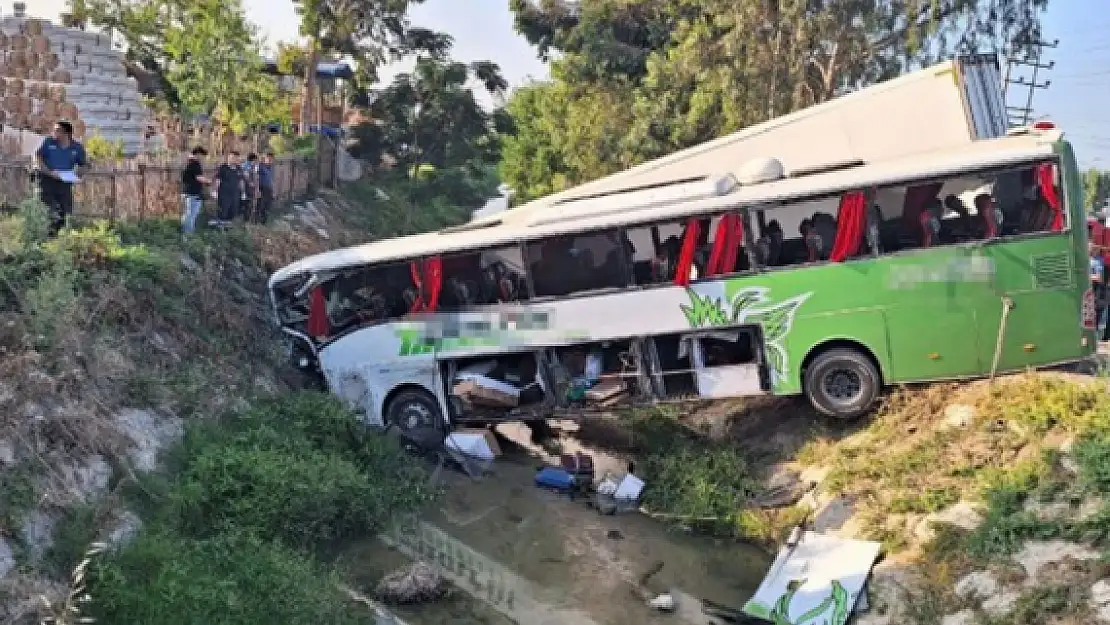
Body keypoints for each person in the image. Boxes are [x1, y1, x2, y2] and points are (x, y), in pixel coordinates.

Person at [34, 121, 88, 237]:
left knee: (65, 211)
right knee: (51, 209)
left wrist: (80, 172)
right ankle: (44, 236)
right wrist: (49, 172)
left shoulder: (77, 148)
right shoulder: (49, 142)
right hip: (47, 180)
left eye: (57, 130)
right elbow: (38, 158)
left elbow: (84, 165)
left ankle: (55, 238)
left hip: (64, 182)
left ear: (66, 133)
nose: (54, 132)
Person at [180, 146, 209, 235]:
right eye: (202, 155)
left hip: (187, 192)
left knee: (188, 214)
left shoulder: (188, 163)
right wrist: (208, 181)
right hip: (193, 194)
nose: (203, 158)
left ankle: (186, 234)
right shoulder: (195, 164)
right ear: (198, 154)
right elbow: (198, 177)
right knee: (191, 215)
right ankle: (188, 235)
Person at [214, 151, 242, 224]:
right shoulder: (223, 167)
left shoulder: (239, 168)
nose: (234, 159)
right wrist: (215, 192)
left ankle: (229, 229)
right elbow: (218, 179)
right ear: (229, 158)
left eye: (236, 158)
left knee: (233, 212)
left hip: (235, 194)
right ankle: (221, 229)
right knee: (223, 212)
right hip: (224, 194)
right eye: (232, 158)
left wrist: (243, 192)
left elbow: (240, 180)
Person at [1092, 241, 1108, 340]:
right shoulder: (1089, 260)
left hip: (1100, 289)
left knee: (1099, 311)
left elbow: (1100, 277)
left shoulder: (1099, 260)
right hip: (1094, 288)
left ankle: (1096, 333)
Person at [255, 152, 275, 224]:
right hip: (262, 188)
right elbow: (256, 178)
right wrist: (257, 190)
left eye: (271, 159)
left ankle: (264, 222)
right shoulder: (260, 167)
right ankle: (256, 221)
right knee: (260, 205)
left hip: (269, 189)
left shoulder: (271, 167)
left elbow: (271, 179)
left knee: (267, 206)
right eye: (268, 158)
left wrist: (273, 190)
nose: (269, 160)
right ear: (265, 159)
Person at [241, 153, 259, 221]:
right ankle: (246, 220)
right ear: (253, 160)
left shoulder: (250, 166)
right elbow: (246, 176)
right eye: (256, 160)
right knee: (248, 205)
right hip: (247, 189)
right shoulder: (247, 166)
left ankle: (247, 219)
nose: (256, 162)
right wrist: (251, 183)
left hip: (248, 189)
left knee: (249, 205)